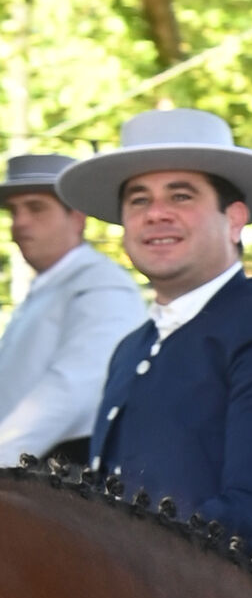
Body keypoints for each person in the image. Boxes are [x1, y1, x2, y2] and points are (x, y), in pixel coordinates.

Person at [58, 110, 252, 569]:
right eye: (138, 200)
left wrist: (108, 561)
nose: (156, 213)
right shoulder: (132, 348)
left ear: (234, 219)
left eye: (181, 196)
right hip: (127, 597)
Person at [0, 153, 144, 465]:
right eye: (14, 210)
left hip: (57, 478)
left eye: (36, 207)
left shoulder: (103, 285)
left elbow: (75, 387)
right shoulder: (50, 287)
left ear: (77, 218)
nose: (20, 222)